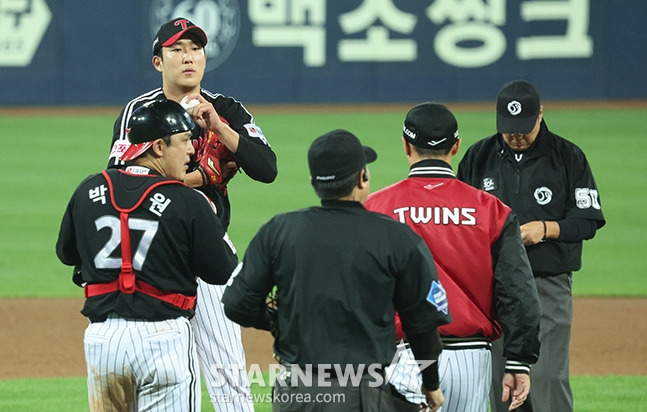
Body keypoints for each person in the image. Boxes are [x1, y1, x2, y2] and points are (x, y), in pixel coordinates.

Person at [107, 18, 278, 410]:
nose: (188, 58)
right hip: (153, 254)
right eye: (177, 50)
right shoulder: (139, 113)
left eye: (195, 49)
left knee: (229, 375)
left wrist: (219, 126)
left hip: (210, 250)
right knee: (162, 376)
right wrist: (199, 178)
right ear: (158, 62)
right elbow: (123, 186)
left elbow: (266, 169)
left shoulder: (227, 109)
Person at [221, 129, 453, 412]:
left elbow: (237, 304)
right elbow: (422, 325)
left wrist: (279, 321)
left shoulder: (278, 231)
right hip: (363, 393)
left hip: (297, 393)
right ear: (362, 178)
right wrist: (431, 385)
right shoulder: (397, 238)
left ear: (313, 182)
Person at [55, 100, 239, 411]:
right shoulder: (187, 200)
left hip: (104, 342)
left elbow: (66, 253)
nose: (192, 151)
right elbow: (222, 271)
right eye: (184, 142)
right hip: (163, 338)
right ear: (157, 147)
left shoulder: (88, 189)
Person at [364, 102, 541, 412]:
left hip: (399, 357)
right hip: (470, 361)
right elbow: (518, 292)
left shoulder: (375, 207)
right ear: (456, 147)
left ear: (406, 146)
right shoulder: (492, 210)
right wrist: (518, 360)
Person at [457, 80, 606, 412]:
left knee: (547, 380)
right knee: (499, 385)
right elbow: (460, 220)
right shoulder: (478, 156)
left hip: (547, 284)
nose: (515, 136)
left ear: (540, 113)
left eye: (523, 127)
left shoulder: (568, 157)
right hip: (493, 287)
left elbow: (588, 221)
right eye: (508, 129)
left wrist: (545, 229)